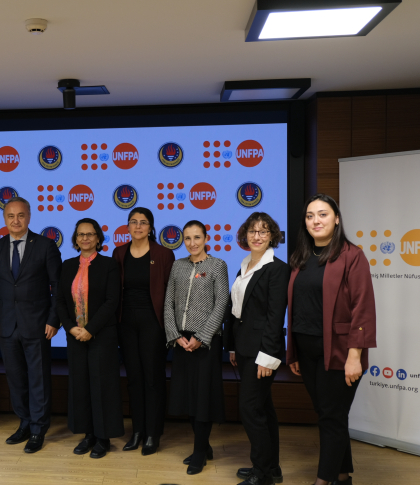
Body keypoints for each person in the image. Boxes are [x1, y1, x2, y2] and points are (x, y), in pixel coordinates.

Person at [287, 194, 376, 485]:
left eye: (323, 214)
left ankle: (323, 481)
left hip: (339, 352)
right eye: (310, 215)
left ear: (336, 219)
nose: (316, 220)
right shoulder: (301, 257)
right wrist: (294, 352)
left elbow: (363, 307)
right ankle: (342, 474)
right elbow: (299, 307)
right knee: (329, 414)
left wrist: (355, 356)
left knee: (331, 416)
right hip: (307, 350)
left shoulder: (352, 256)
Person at [0, 197, 62, 454]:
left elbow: (58, 286)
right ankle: (25, 423)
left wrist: (54, 319)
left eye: (21, 215)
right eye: (11, 216)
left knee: (38, 378)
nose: (16, 220)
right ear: (4, 218)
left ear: (29, 217)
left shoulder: (45, 246)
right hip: (7, 326)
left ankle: (38, 429)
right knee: (16, 378)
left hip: (38, 324)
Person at [224, 212, 290, 485]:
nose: (257, 236)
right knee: (263, 408)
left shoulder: (278, 269)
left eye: (264, 231)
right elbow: (237, 310)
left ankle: (261, 474)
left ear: (272, 236)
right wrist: (232, 347)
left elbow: (275, 318)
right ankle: (271, 468)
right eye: (252, 231)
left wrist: (268, 356)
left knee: (250, 409)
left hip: (262, 352)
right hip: (244, 348)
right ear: (245, 235)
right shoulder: (245, 265)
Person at [164, 220, 229, 475]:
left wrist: (202, 336)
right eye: (188, 238)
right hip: (181, 341)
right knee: (187, 397)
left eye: (197, 237)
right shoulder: (178, 265)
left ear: (206, 238)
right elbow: (168, 302)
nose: (192, 243)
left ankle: (200, 452)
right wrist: (174, 336)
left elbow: (221, 303)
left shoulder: (217, 265)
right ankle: (204, 445)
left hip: (206, 342)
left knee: (203, 398)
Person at [56, 218, 123, 459]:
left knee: (102, 386)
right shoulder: (67, 265)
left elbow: (112, 301)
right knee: (81, 385)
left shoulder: (109, 265)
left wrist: (90, 329)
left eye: (90, 234)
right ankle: (88, 435)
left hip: (101, 335)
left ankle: (103, 438)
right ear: (75, 239)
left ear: (98, 238)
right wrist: (70, 328)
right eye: (81, 234)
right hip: (75, 335)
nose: (85, 238)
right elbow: (60, 301)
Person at [112, 207, 175, 455]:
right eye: (133, 222)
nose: (138, 226)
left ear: (151, 227)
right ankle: (137, 431)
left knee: (153, 378)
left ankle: (152, 433)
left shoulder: (163, 254)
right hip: (126, 323)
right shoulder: (119, 253)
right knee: (134, 379)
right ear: (128, 226)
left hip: (153, 322)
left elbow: (170, 293)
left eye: (143, 222)